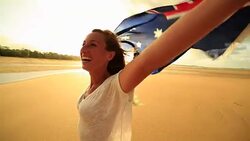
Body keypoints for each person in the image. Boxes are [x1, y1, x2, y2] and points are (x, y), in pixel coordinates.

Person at [78, 0, 249, 140]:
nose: (84, 49)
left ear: (110, 55)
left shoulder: (116, 86)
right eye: (83, 44)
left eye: (92, 45)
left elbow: (153, 56)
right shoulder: (90, 88)